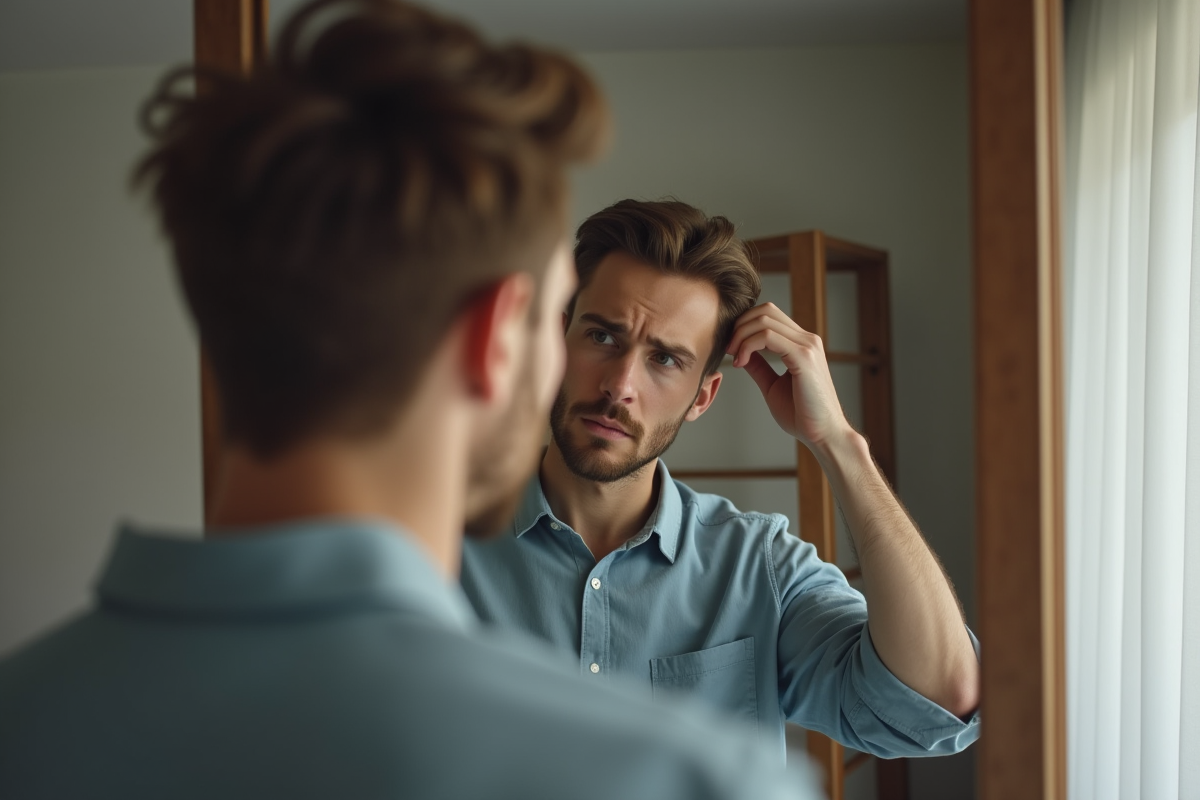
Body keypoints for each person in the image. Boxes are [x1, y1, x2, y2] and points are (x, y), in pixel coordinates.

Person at [0, 4, 820, 799]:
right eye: (561, 315)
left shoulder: (24, 723)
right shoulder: (684, 781)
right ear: (496, 336)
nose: (612, 378)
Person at [462, 198, 982, 761]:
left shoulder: (761, 566)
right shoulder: (441, 538)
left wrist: (837, 443)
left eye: (665, 360)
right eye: (603, 337)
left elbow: (937, 702)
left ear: (702, 397)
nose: (620, 386)